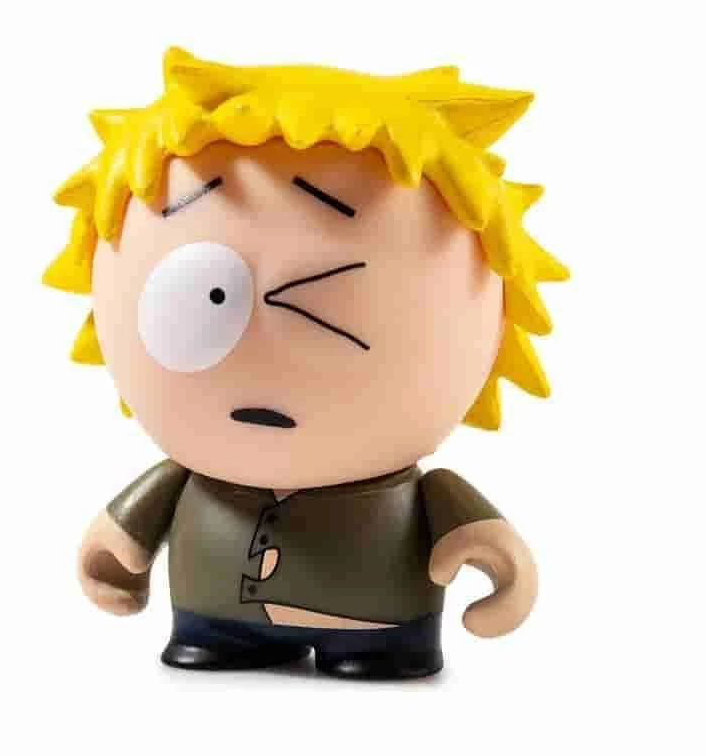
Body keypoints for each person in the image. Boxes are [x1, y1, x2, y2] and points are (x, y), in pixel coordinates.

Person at [44, 48, 568, 679]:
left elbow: (473, 529)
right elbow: (128, 527)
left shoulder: (410, 494)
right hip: (211, 619)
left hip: (381, 628)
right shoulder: (189, 478)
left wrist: (502, 565)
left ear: (490, 323)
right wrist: (113, 549)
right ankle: (222, 639)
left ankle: (373, 653)